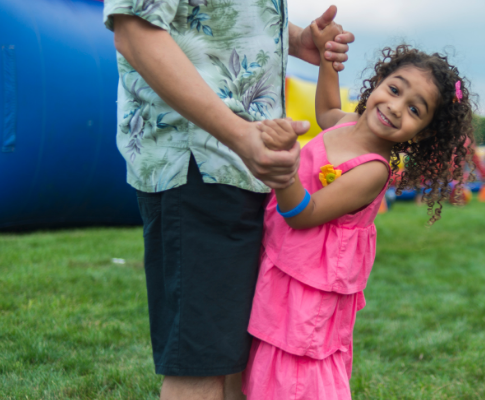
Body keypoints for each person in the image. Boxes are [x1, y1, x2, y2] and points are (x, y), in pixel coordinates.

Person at [103, 2, 355, 399]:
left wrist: (295, 38)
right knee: (203, 365)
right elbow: (134, 29)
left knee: (238, 359)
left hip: (245, 167)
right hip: (198, 161)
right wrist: (239, 136)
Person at [242, 34, 475, 399]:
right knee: (269, 342)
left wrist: (285, 169)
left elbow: (304, 214)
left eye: (415, 110)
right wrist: (327, 59)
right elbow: (325, 111)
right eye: (395, 89)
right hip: (287, 263)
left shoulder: (372, 171)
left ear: (423, 132)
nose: (397, 107)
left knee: (297, 361)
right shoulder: (346, 122)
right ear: (379, 81)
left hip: (310, 283)